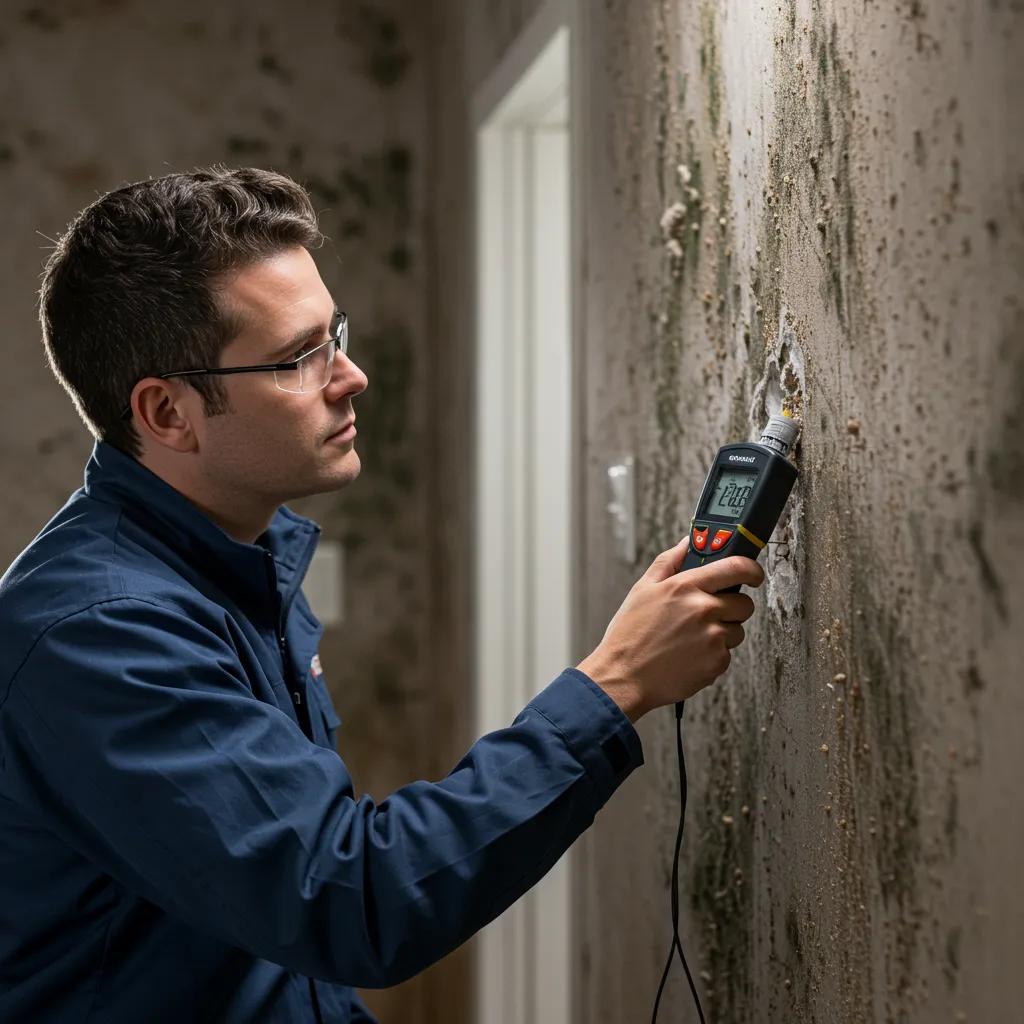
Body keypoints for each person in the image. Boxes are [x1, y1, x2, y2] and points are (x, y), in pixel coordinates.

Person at [0, 167, 764, 1023]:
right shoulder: (101, 633)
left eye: (337, 335)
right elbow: (346, 897)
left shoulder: (239, 557)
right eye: (299, 358)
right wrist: (615, 685)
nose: (351, 376)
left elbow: (276, 947)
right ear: (168, 413)